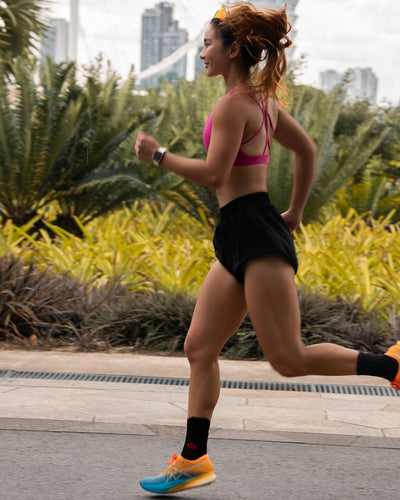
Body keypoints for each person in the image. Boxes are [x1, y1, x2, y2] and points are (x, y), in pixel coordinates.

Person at [135, 3, 400, 495]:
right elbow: (306, 150)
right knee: (199, 347)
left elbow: (215, 173)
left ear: (233, 48)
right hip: (239, 232)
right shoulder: (262, 102)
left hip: (255, 235)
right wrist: (295, 211)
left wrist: (159, 155)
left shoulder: (235, 105)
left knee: (288, 359)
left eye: (208, 45)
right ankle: (192, 459)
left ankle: (392, 366)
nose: (202, 54)